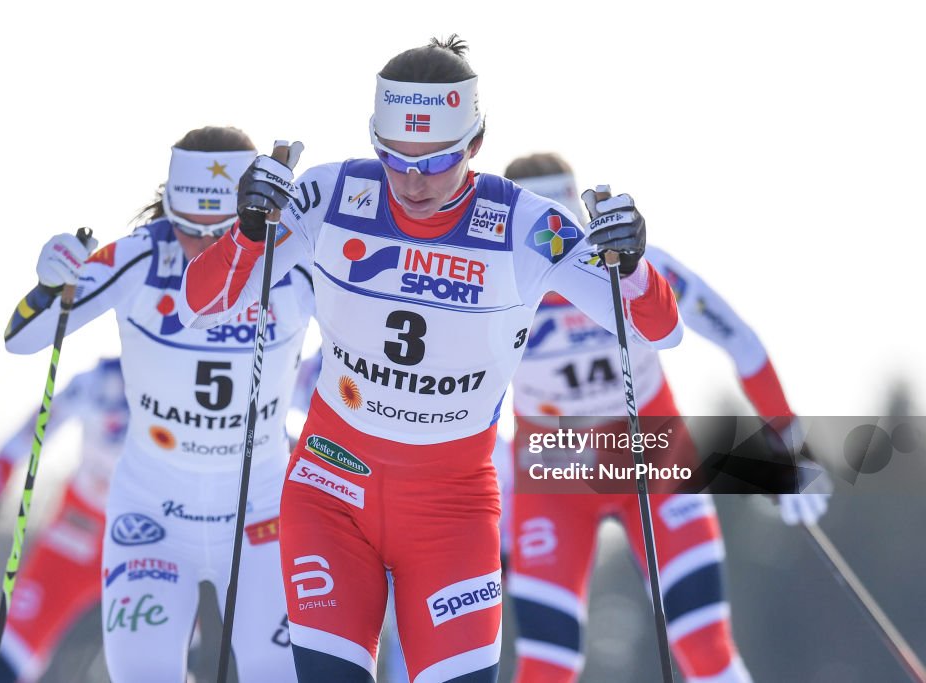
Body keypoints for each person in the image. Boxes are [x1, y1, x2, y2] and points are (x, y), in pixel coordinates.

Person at [179, 36, 682, 683]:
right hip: (333, 490)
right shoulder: (329, 195)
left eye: (437, 160)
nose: (413, 180)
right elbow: (202, 304)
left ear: (475, 143)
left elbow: (658, 329)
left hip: (452, 510)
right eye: (394, 157)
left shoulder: (526, 225)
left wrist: (634, 263)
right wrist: (248, 230)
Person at [502, 152, 831, 682]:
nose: (551, 241)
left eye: (560, 216)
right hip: (554, 482)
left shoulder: (634, 264)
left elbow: (738, 341)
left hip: (655, 468)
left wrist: (789, 441)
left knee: (704, 647)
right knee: (547, 665)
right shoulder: (494, 284)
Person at [4, 126, 312, 682]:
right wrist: (50, 284)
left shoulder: (293, 259)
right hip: (151, 514)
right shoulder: (141, 254)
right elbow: (22, 338)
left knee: (278, 672)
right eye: (185, 229)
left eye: (216, 233)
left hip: (261, 513)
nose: (197, 250)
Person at [0, 358, 127, 683]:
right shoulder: (95, 381)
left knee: (172, 661)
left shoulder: (182, 380)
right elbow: (21, 439)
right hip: (76, 537)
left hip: (151, 542)